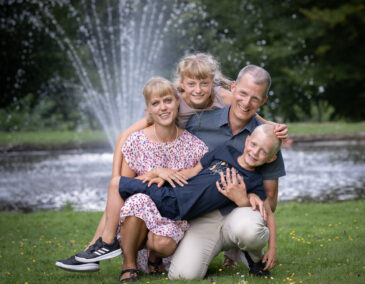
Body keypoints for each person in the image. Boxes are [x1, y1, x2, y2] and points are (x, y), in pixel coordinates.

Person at [76, 124, 280, 282]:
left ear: (270, 159)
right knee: (116, 183)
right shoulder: (225, 151)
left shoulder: (253, 181)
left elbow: (268, 213)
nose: (255, 152)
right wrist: (164, 177)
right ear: (247, 141)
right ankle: (108, 240)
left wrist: (272, 248)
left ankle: (111, 243)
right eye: (254, 145)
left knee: (117, 183)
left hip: (177, 207)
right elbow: (193, 171)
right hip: (171, 192)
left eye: (263, 151)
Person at [55, 77, 208, 274]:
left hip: (171, 222)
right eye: (156, 103)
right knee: (138, 200)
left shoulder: (195, 146)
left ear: (177, 102)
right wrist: (153, 173)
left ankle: (154, 258)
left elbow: (195, 192)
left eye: (168, 100)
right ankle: (128, 265)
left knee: (162, 242)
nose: (163, 107)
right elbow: (123, 189)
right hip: (136, 225)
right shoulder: (136, 141)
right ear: (148, 110)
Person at [167, 64, 286, 280]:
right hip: (204, 216)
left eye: (255, 98)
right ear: (233, 88)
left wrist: (244, 200)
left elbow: (272, 202)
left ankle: (251, 253)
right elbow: (183, 165)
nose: (246, 102)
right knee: (182, 276)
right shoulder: (200, 122)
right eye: (242, 93)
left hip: (241, 215)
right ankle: (213, 251)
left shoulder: (266, 141)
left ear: (263, 101)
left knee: (249, 231)